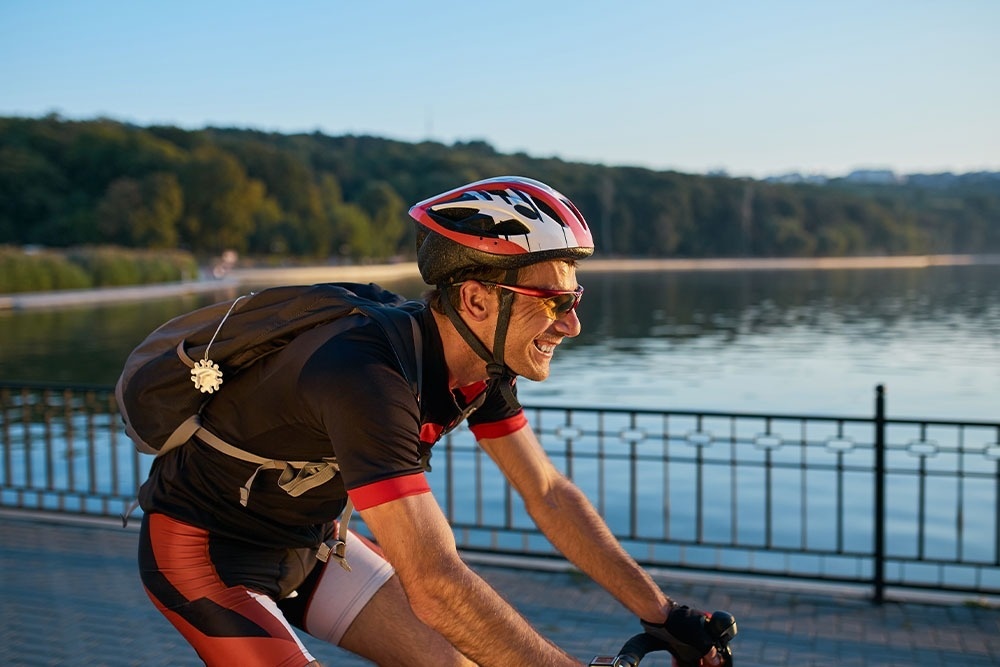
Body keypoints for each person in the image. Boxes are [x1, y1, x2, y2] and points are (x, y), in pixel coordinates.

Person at [136, 176, 722, 666]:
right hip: (205, 553)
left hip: (313, 546)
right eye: (554, 302)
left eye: (576, 299)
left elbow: (547, 494)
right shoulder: (366, 376)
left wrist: (663, 615)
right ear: (476, 301)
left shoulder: (481, 365)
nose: (571, 325)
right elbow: (437, 584)